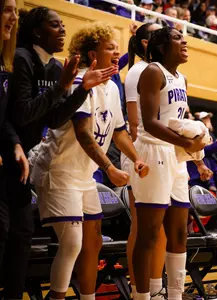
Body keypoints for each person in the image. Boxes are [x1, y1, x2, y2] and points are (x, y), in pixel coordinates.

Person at [30, 22, 148, 300]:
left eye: (117, 47)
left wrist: (136, 159)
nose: (116, 51)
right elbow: (83, 134)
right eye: (110, 47)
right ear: (93, 53)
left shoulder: (112, 88)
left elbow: (119, 132)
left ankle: (87, 298)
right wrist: (110, 167)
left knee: (92, 242)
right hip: (58, 170)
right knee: (72, 243)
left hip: (83, 175)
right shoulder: (81, 82)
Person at [6, 7, 114, 299]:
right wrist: (64, 86)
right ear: (38, 32)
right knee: (14, 236)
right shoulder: (22, 58)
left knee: (21, 236)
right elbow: (23, 113)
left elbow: (54, 119)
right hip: (13, 153)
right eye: (55, 25)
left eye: (64, 25)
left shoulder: (56, 67)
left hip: (25, 160)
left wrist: (79, 91)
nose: (63, 30)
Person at [131, 26, 210, 300]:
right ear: (162, 47)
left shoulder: (182, 78)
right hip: (153, 152)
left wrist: (196, 152)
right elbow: (151, 123)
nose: (184, 41)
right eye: (177, 38)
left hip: (176, 157)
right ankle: (141, 296)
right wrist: (187, 143)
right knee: (149, 234)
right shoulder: (152, 71)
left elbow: (178, 121)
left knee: (179, 231)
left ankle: (175, 295)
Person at [122, 21, 167, 299]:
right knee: (141, 227)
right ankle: (139, 289)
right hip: (143, 153)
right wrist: (140, 158)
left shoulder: (162, 71)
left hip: (162, 154)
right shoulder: (138, 71)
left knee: (158, 227)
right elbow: (135, 123)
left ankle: (155, 288)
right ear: (148, 44)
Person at [0, 1, 31, 299]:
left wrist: (15, 144)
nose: (14, 17)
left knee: (7, 232)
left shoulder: (5, 62)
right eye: (7, 9)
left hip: (4, 162)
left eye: (16, 11)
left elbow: (3, 118)